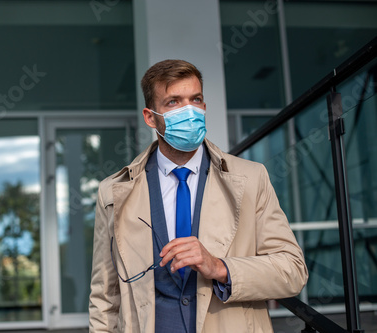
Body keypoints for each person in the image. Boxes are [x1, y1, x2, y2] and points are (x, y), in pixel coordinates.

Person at [89, 59, 308, 332]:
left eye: (196, 99)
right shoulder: (113, 192)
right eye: (173, 102)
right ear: (150, 117)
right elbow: (104, 298)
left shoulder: (251, 178)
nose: (189, 111)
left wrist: (219, 267)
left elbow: (293, 271)